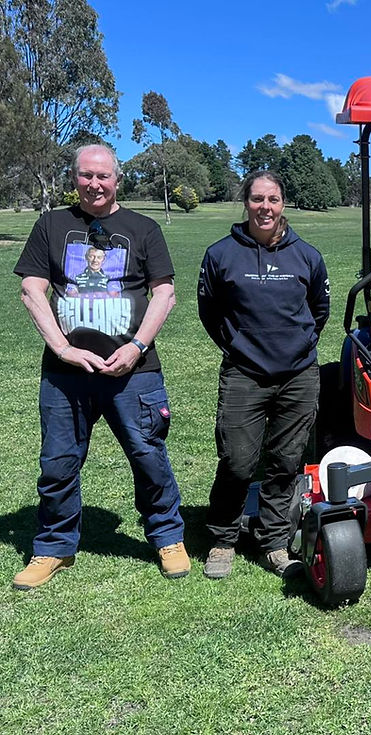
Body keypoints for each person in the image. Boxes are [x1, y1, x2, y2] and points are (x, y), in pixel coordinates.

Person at [12, 143, 190, 590]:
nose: (94, 184)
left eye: (103, 176)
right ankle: (53, 547)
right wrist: (62, 348)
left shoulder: (143, 228)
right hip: (65, 375)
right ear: (74, 177)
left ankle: (168, 538)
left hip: (135, 371)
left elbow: (163, 293)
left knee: (149, 456)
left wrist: (136, 346)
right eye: (86, 175)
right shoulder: (51, 225)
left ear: (117, 179)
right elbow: (32, 290)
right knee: (57, 463)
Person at [198, 170, 330, 580]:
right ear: (246, 203)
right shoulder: (221, 254)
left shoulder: (306, 256)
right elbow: (210, 311)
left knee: (285, 461)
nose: (265, 207)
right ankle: (223, 539)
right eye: (257, 199)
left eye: (272, 199)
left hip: (298, 376)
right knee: (238, 461)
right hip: (244, 374)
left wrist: (296, 348)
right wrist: (239, 346)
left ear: (283, 203)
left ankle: (274, 542)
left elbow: (318, 311)